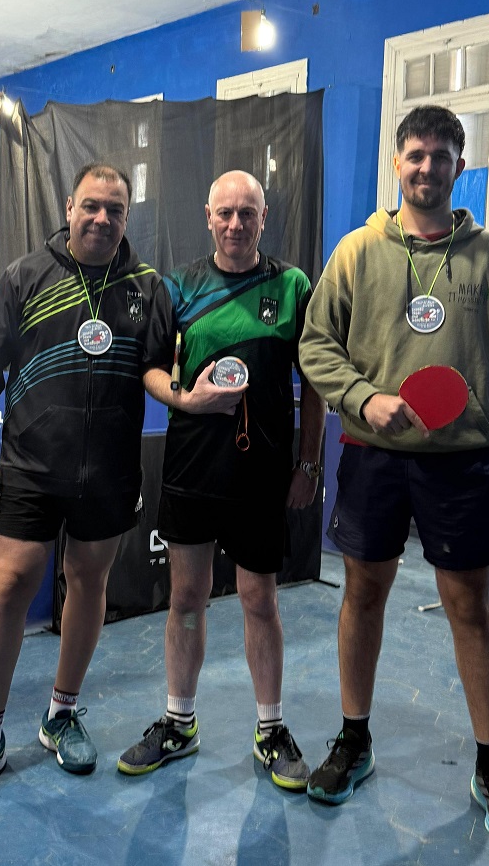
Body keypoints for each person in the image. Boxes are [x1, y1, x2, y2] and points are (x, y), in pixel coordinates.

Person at [298, 105, 489, 842]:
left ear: (459, 166)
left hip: (462, 466)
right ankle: (354, 738)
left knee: (470, 609)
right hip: (372, 456)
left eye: (441, 155)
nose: (427, 166)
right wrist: (362, 398)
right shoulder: (356, 251)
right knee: (362, 596)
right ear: (396, 163)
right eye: (415, 154)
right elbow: (315, 344)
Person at [0, 163, 172, 805]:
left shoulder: (146, 287)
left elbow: (164, 366)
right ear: (69, 207)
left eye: (116, 210)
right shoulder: (26, 276)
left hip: (109, 472)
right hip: (29, 466)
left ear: (127, 217)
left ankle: (61, 714)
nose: (102, 219)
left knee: (90, 582)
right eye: (92, 206)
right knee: (12, 583)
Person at [116, 170, 326, 791]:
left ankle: (271, 729)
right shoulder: (177, 285)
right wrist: (185, 399)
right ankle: (179, 723)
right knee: (186, 597)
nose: (236, 224)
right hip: (191, 468)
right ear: (207, 217)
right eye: (225, 213)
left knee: (260, 599)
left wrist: (308, 463)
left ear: (264, 219)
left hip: (263, 474)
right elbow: (151, 369)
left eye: (247, 213)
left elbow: (315, 382)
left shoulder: (292, 286)